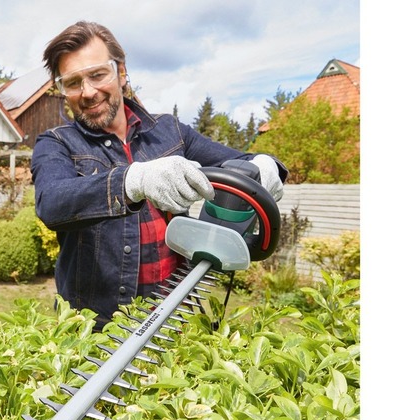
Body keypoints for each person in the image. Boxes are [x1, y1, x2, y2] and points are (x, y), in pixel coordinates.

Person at [31, 21, 288, 330]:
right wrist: (132, 181)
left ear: (121, 72)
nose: (87, 92)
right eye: (72, 82)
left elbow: (241, 163)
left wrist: (268, 166)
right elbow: (52, 202)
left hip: (173, 317)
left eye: (98, 74)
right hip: (94, 326)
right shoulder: (56, 143)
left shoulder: (170, 132)